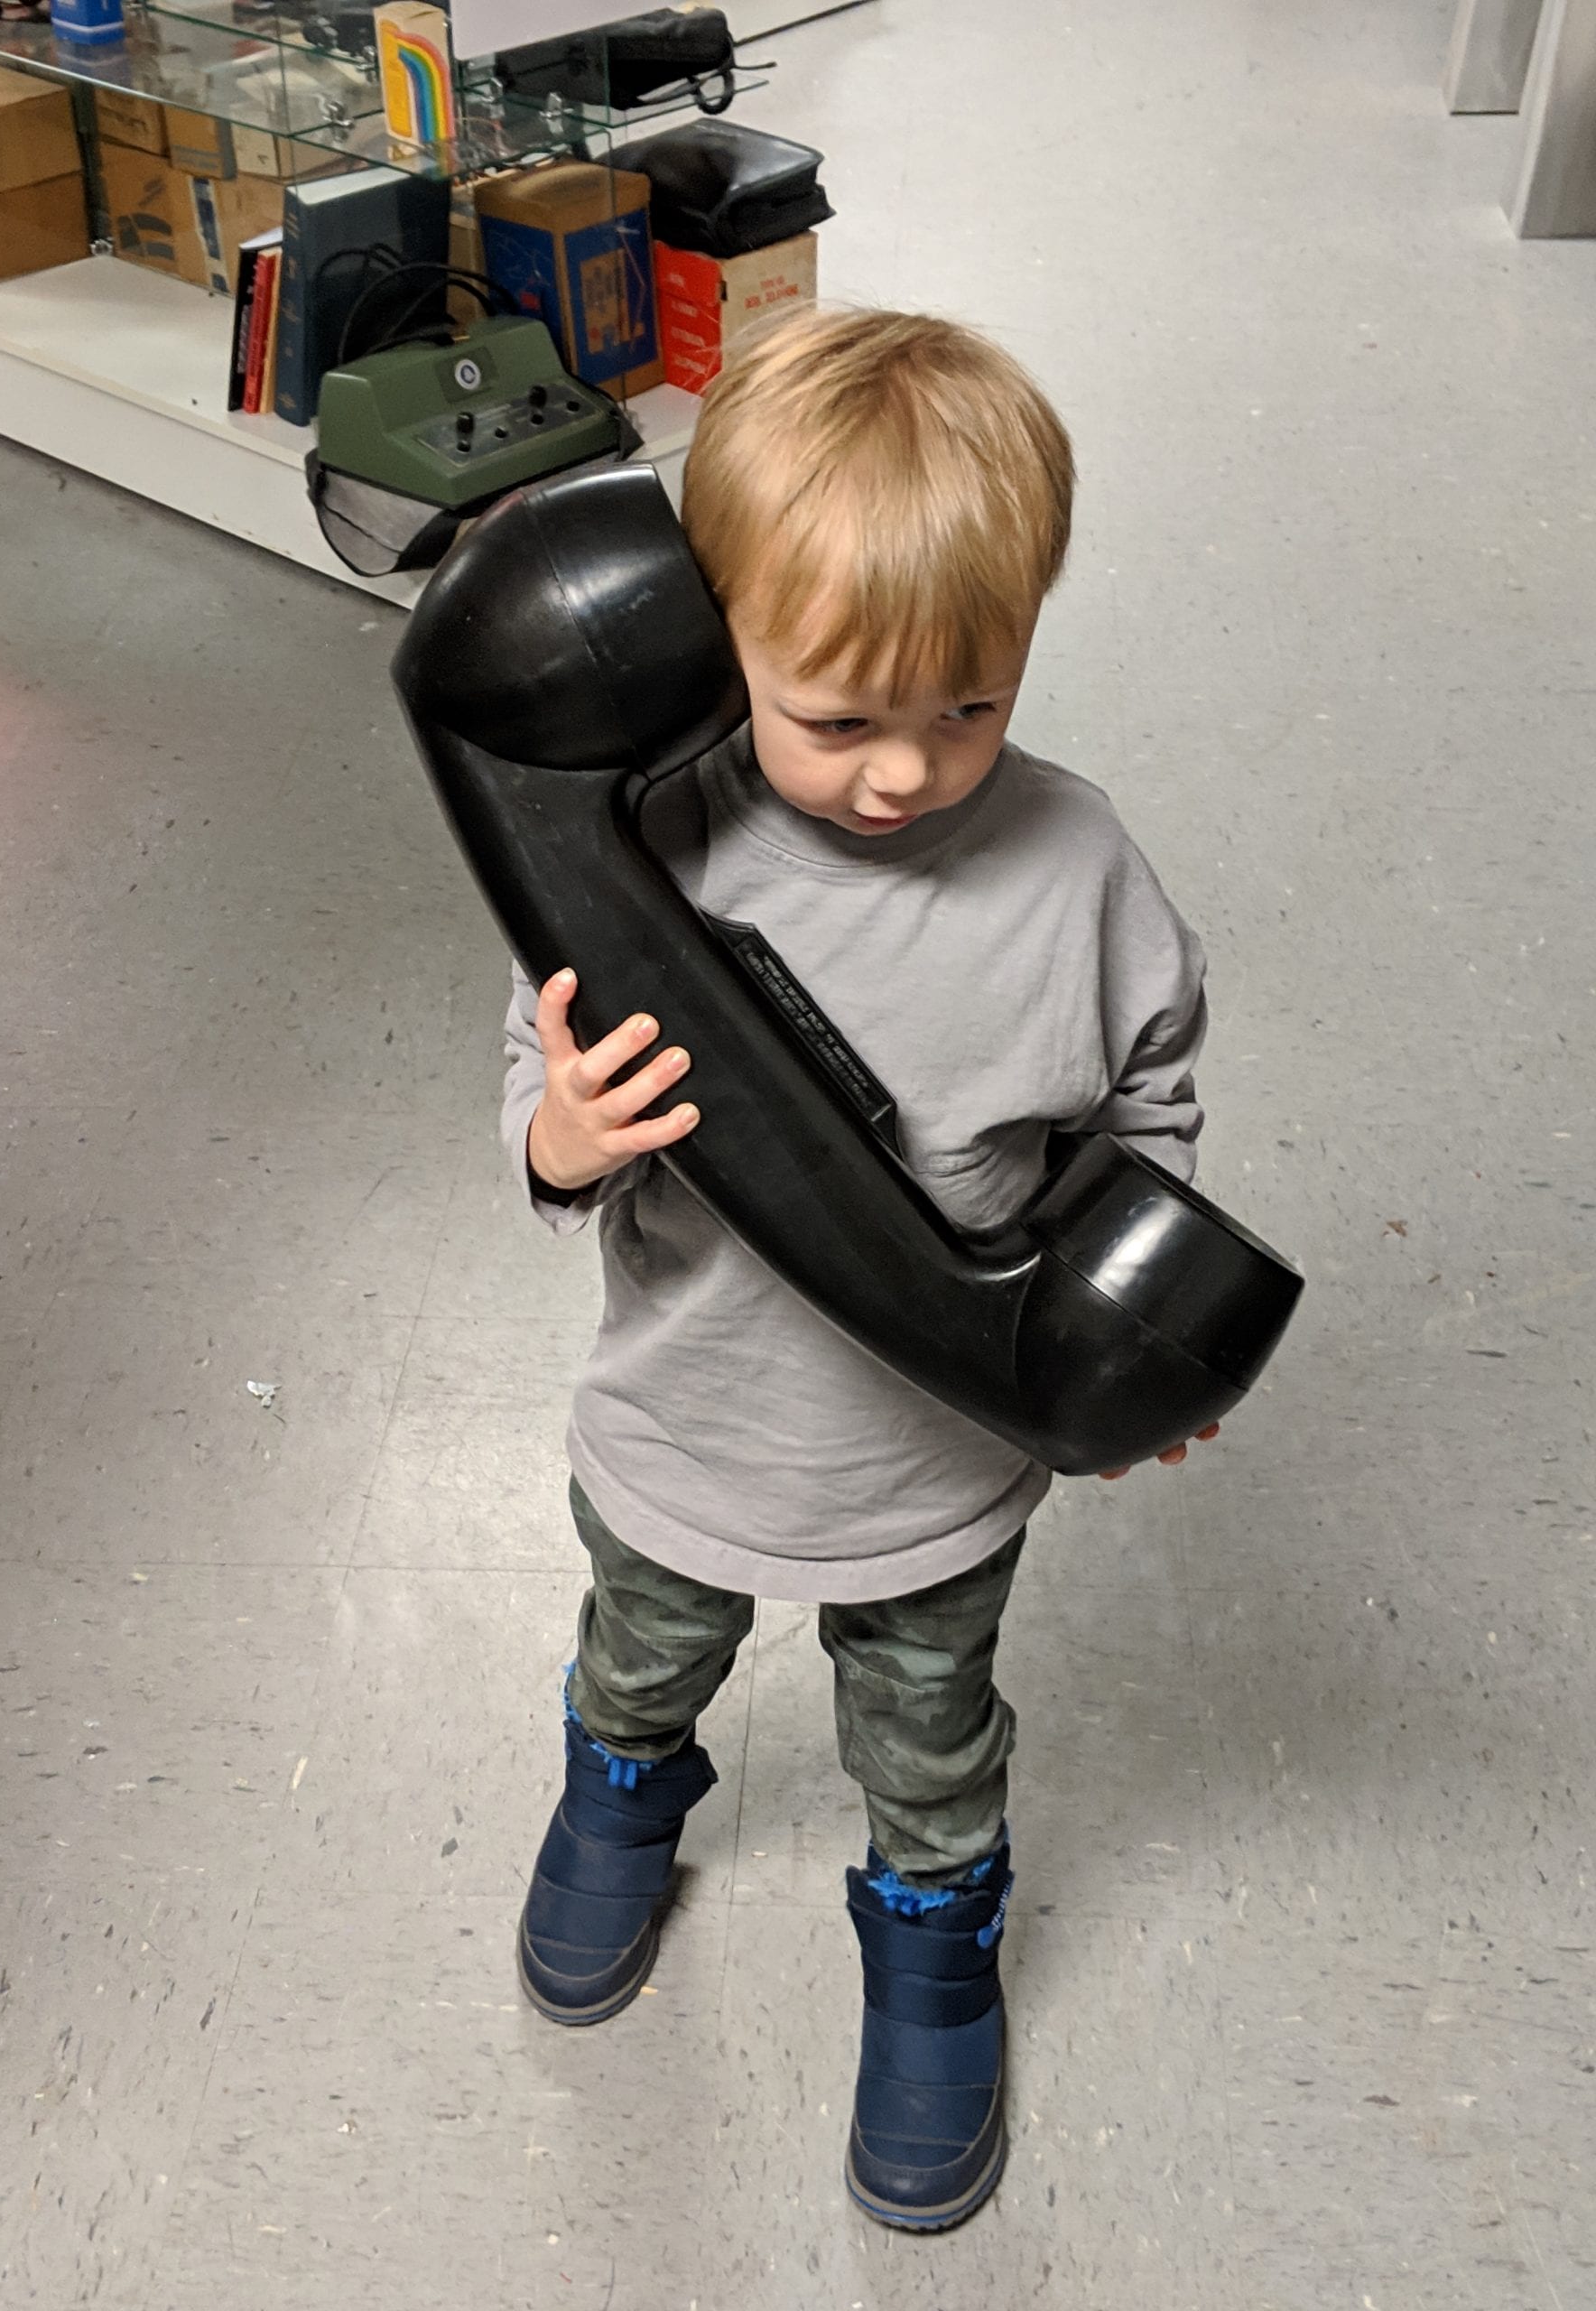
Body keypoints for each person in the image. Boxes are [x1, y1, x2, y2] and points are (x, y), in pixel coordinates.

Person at [498, 306, 1216, 2232]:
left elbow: (1149, 1112)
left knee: (931, 1730)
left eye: (965, 706)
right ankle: (622, 1796)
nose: (906, 771)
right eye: (835, 716)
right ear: (708, 635)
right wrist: (568, 1132)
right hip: (685, 1430)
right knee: (643, 1656)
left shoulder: (1080, 872)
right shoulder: (649, 846)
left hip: (937, 1475)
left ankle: (929, 1950)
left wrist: (1134, 1353)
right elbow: (533, 1074)